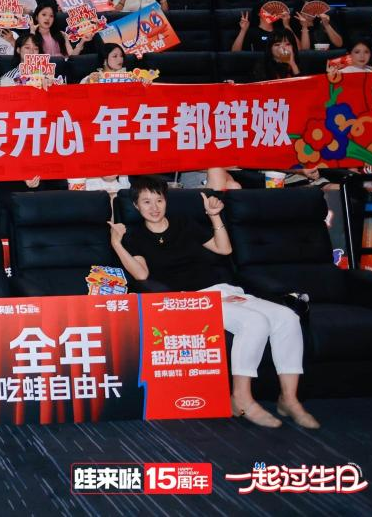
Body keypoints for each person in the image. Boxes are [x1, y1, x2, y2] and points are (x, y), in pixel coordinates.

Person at [110, 177, 318, 429]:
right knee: (254, 322)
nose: (154, 207)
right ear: (135, 205)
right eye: (146, 202)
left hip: (222, 291)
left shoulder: (184, 223)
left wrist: (214, 216)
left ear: (166, 201)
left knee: (287, 317)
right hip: (190, 300)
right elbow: (141, 275)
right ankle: (241, 398)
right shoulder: (136, 236)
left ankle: (289, 399)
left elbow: (224, 249)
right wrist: (117, 243)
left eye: (159, 200)